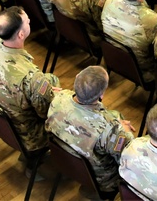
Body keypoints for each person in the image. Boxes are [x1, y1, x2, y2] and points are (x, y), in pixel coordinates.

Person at [0, 7, 59, 151]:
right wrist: (53, 93)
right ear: (20, 34)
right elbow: (46, 113)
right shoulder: (33, 78)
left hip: (0, 124)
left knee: (49, 81)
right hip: (29, 137)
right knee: (53, 81)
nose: (30, 20)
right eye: (27, 21)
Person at [46, 66, 135, 194]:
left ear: (77, 79)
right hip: (100, 180)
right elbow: (127, 159)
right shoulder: (109, 129)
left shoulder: (58, 98)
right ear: (102, 94)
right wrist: (124, 132)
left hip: (63, 161)